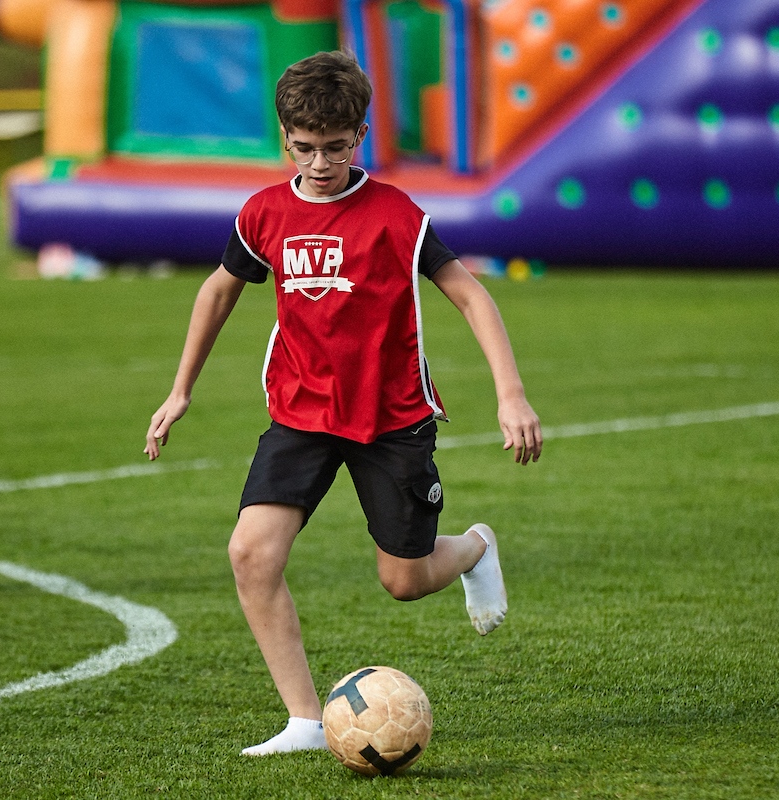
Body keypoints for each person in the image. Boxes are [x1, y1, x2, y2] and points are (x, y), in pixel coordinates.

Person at [144, 50, 543, 755]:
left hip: (391, 420)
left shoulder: (396, 215)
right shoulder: (264, 213)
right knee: (251, 555)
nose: (320, 163)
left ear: (360, 134)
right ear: (284, 139)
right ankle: (303, 719)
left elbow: (469, 293)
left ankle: (476, 548)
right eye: (304, 148)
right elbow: (217, 291)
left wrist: (511, 395)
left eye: (335, 146)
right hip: (301, 413)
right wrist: (181, 390)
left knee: (405, 579)